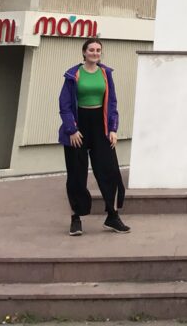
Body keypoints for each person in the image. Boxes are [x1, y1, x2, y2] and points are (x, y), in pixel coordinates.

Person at [58, 38, 129, 235]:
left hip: (100, 125)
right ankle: (76, 218)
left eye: (98, 50)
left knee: (110, 171)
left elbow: (112, 103)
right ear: (84, 52)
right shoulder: (73, 74)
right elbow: (64, 105)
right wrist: (72, 129)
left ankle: (112, 217)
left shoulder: (106, 74)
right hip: (78, 127)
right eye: (91, 49)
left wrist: (113, 129)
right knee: (76, 174)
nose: (95, 53)